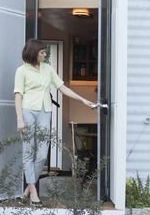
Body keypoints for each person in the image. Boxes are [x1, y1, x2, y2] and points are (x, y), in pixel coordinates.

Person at [14, 38, 97, 205]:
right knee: (29, 151)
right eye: (42, 52)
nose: (45, 54)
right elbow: (18, 95)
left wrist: (82, 100)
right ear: (34, 53)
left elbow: (62, 87)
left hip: (45, 111)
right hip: (28, 111)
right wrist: (20, 119)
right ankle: (34, 191)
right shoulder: (21, 71)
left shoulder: (48, 69)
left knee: (43, 154)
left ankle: (27, 189)